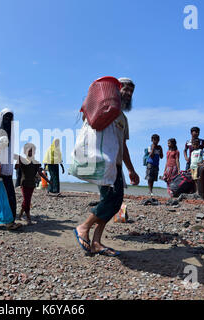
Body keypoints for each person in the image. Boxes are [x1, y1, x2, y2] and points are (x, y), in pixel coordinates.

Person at [75, 77, 140, 256]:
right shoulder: (103, 109)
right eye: (125, 89)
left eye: (131, 91)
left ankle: (96, 242)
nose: (128, 93)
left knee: (111, 201)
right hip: (103, 162)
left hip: (116, 164)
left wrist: (131, 169)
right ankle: (84, 226)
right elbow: (86, 116)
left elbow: (123, 146)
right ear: (115, 89)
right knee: (113, 200)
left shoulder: (123, 118)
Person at [15, 143, 50, 225]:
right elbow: (16, 168)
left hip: (32, 184)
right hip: (24, 183)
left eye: (32, 151)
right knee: (27, 200)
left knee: (27, 200)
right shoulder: (22, 160)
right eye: (29, 151)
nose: (31, 152)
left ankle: (20, 215)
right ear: (25, 151)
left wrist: (48, 181)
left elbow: (40, 173)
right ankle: (28, 218)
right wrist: (18, 161)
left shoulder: (36, 162)